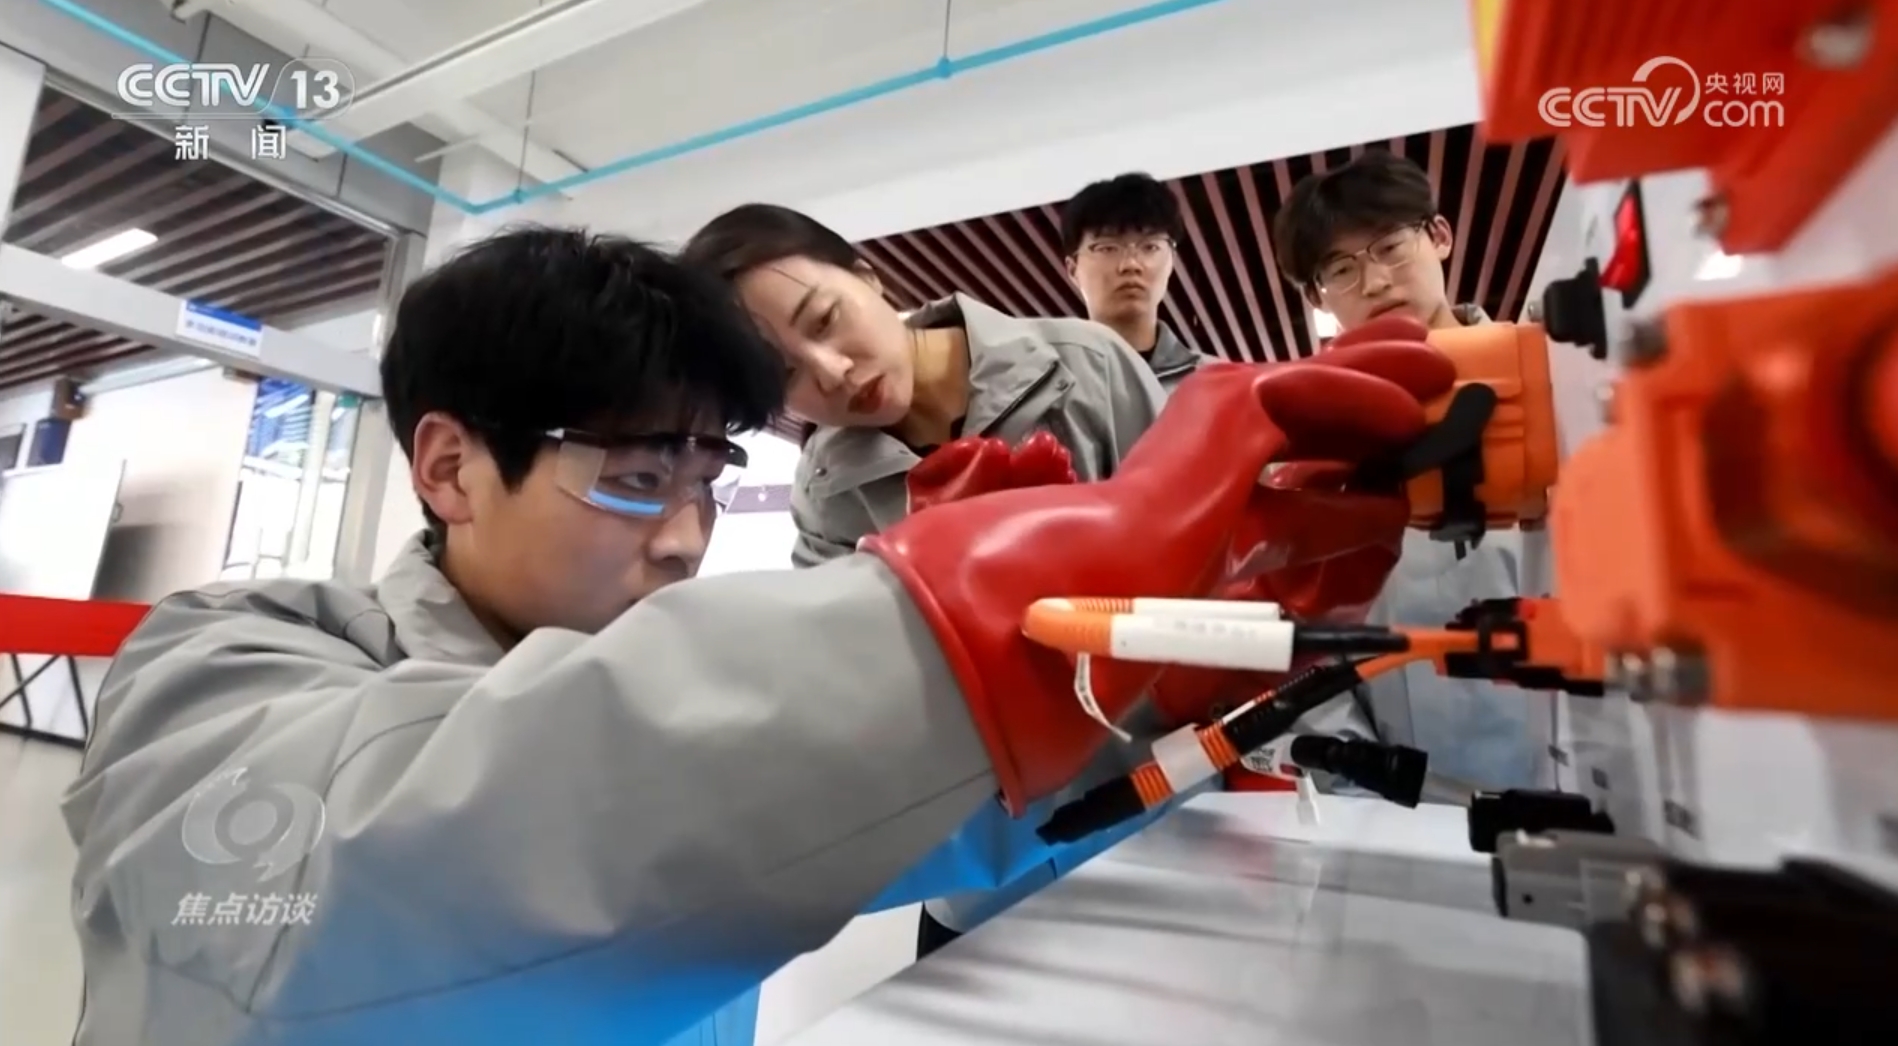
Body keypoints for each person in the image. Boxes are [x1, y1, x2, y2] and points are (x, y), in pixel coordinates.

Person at [62, 224, 1455, 1046]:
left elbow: (914, 839)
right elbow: (386, 866)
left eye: (704, 478)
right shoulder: (221, 663)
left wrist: (1138, 685)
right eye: (631, 475)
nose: (681, 535)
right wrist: (952, 623)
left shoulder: (674, 671)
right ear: (447, 466)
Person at [680, 202, 1177, 959]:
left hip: (1151, 808)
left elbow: (1199, 561)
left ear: (868, 276)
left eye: (825, 319)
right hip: (982, 859)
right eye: (786, 375)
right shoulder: (827, 486)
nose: (834, 372)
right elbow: (849, 675)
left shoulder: (1086, 366)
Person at [1272, 149, 1547, 795]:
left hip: (1580, 773)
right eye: (1340, 269)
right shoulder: (1316, 445)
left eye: (1391, 247)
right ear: (1317, 296)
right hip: (1401, 802)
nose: (1374, 282)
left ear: (1439, 236)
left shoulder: (1553, 381)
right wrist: (1359, 781)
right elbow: (1298, 634)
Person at [1059, 172, 1218, 392]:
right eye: (1107, 248)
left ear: (1171, 261)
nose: (1131, 264)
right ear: (1073, 269)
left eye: (1150, 246)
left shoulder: (1216, 383)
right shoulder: (1044, 386)